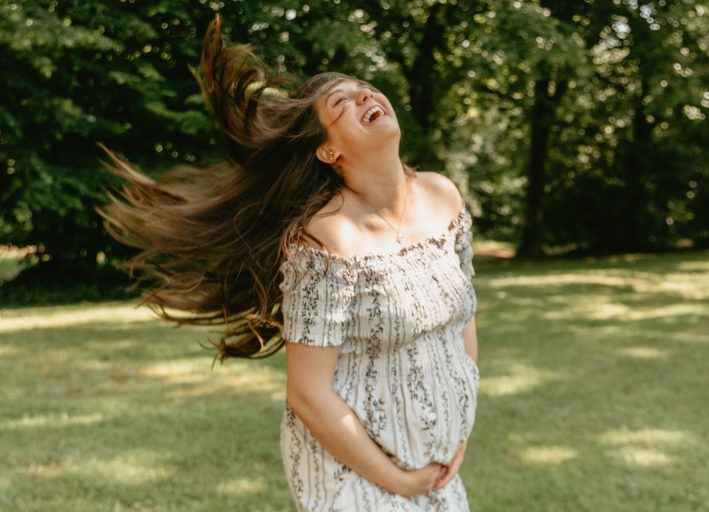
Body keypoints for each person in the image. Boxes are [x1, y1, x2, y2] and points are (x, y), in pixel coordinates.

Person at [99, 17, 479, 511]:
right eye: (343, 102)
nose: (365, 96)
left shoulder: (443, 196)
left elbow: (464, 316)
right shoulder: (326, 238)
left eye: (365, 89)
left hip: (437, 458)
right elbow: (308, 394)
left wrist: (458, 430)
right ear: (328, 149)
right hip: (354, 472)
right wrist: (397, 480)